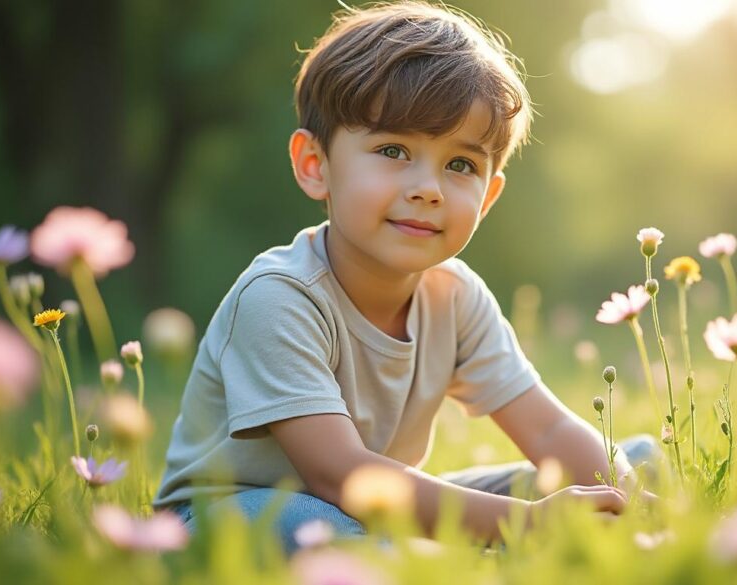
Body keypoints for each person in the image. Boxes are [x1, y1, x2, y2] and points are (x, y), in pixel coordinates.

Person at [153, 0, 657, 553]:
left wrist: (618, 498)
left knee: (630, 463)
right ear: (315, 165)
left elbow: (549, 431)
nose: (429, 188)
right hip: (236, 513)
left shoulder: (456, 295)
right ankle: (447, 555)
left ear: (487, 196)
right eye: (393, 150)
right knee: (307, 523)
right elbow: (339, 474)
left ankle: (438, 552)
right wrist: (530, 521)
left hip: (372, 509)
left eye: (460, 165)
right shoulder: (280, 297)